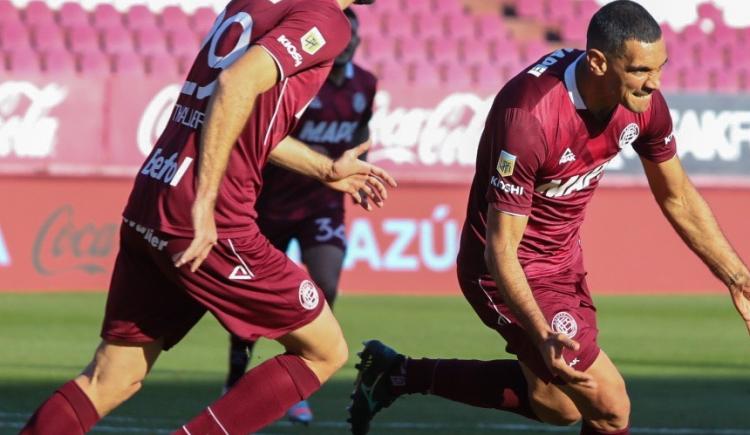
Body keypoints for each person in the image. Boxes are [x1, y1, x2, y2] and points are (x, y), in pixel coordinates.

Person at [347, 1, 750, 435]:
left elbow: (678, 196)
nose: (654, 83)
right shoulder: (529, 118)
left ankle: (398, 374)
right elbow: (501, 249)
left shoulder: (643, 102)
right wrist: (540, 331)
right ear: (598, 62)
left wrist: (737, 277)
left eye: (660, 68)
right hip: (505, 268)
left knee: (557, 406)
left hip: (565, 263)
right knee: (611, 407)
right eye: (639, 71)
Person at [19, 0, 395, 434]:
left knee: (112, 377)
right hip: (206, 212)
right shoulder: (326, 18)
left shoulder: (256, 3)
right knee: (324, 350)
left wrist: (325, 169)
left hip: (154, 193)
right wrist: (204, 202)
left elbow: (241, 116)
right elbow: (234, 84)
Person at [222, 7, 377, 425]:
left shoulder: (367, 84)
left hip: (322, 205)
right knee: (250, 299)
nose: (349, 45)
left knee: (325, 283)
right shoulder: (304, 76)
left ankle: (294, 381)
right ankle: (237, 374)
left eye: (355, 38)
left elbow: (360, 134)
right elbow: (265, 128)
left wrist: (359, 174)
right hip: (270, 200)